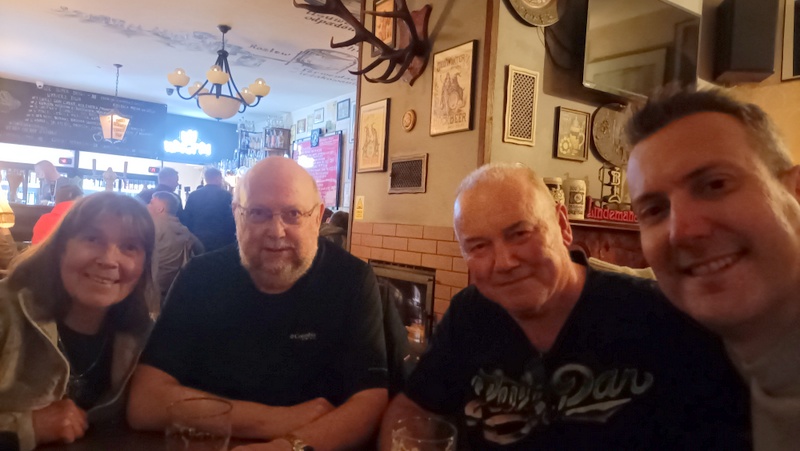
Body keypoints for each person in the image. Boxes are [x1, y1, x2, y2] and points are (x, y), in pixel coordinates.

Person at [379, 163, 750, 450]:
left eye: (520, 234)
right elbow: (412, 408)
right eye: (479, 246)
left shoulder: (655, 314)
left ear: (561, 225)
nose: (504, 262)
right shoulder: (469, 314)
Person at [128, 157, 388, 450]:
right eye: (258, 213)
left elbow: (370, 399)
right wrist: (274, 420)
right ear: (236, 215)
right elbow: (145, 402)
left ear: (317, 218)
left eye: (293, 214)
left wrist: (284, 447)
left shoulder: (350, 280)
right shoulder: (200, 277)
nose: (276, 231)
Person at [625, 87, 800, 450]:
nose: (682, 231)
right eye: (655, 209)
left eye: (715, 185)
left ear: (795, 190)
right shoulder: (677, 351)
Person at [0, 192, 157, 451]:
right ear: (61, 248)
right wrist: (27, 427)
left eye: (130, 247)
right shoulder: (6, 310)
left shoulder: (141, 336)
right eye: (92, 239)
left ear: (144, 265)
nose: (108, 260)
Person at [147, 191, 204, 306]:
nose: (147, 205)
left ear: (160, 209)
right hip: (175, 288)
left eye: (151, 203)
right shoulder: (184, 230)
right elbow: (201, 250)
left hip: (151, 289)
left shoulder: (151, 227)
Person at [180, 167, 236, 252]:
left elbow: (186, 218)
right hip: (221, 239)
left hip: (198, 238)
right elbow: (232, 218)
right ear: (218, 178)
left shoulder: (193, 195)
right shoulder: (226, 196)